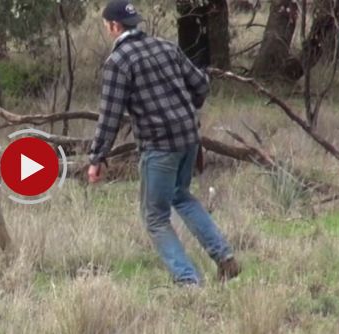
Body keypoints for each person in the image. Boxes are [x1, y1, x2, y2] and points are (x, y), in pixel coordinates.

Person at [87, 0, 240, 286]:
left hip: (160, 146)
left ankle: (188, 280)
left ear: (114, 26)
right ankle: (225, 258)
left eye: (106, 25)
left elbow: (110, 115)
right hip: (189, 138)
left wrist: (97, 158)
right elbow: (201, 85)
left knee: (154, 217)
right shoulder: (166, 46)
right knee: (180, 195)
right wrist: (184, 108)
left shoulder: (118, 62)